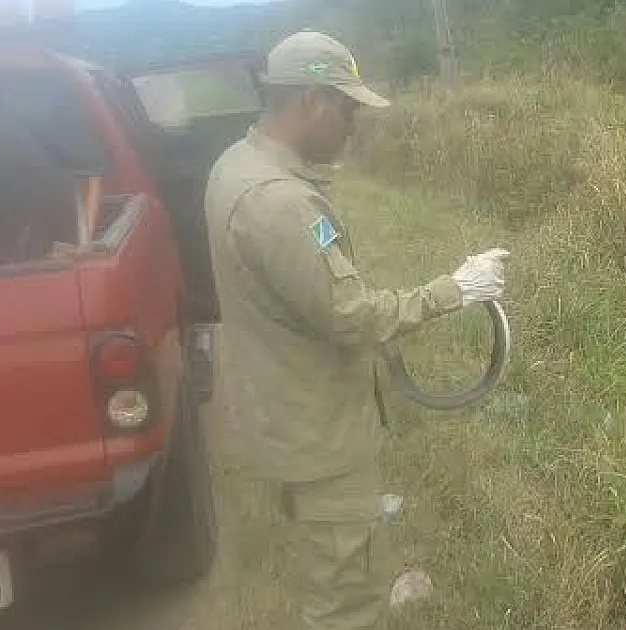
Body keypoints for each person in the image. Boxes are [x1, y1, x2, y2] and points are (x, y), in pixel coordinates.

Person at [203, 31, 510, 629]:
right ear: (312, 101)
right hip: (318, 439)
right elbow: (352, 316)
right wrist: (457, 289)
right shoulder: (279, 203)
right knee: (347, 606)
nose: (352, 125)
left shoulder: (236, 164)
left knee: (341, 571)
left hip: (291, 415)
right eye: (346, 109)